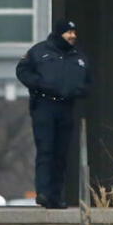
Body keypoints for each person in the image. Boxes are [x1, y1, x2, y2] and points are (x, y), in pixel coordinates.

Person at [16, 18, 93, 209]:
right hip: (44, 106)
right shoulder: (39, 51)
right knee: (46, 150)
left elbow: (89, 83)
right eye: (69, 33)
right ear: (60, 34)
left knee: (61, 154)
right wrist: (40, 85)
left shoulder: (79, 57)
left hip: (66, 108)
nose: (73, 36)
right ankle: (43, 193)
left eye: (74, 33)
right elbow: (22, 70)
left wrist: (77, 91)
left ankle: (56, 197)